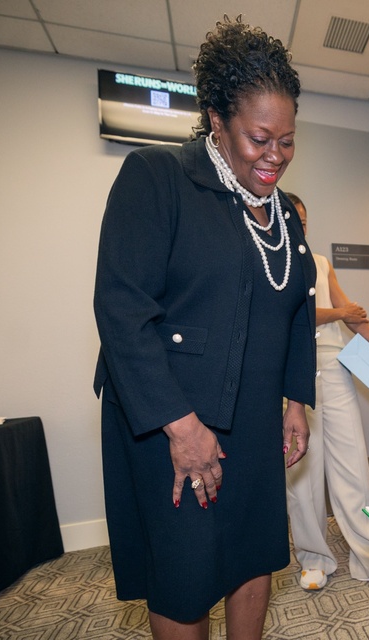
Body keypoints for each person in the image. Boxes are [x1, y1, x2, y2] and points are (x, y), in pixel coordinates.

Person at [93, 18, 315, 640]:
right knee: (184, 570)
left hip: (253, 416)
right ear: (216, 119)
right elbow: (121, 308)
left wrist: (295, 400)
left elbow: (296, 306)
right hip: (172, 419)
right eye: (259, 138)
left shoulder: (283, 218)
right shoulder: (157, 178)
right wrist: (181, 426)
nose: (275, 155)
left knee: (254, 547)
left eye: (288, 141)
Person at [283, 192, 369, 590]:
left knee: (352, 463)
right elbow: (295, 314)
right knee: (302, 470)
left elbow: (353, 314)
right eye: (291, 220)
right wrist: (340, 313)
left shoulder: (320, 263)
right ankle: (313, 558)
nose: (299, 227)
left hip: (336, 368)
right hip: (292, 376)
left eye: (304, 221)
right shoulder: (271, 265)